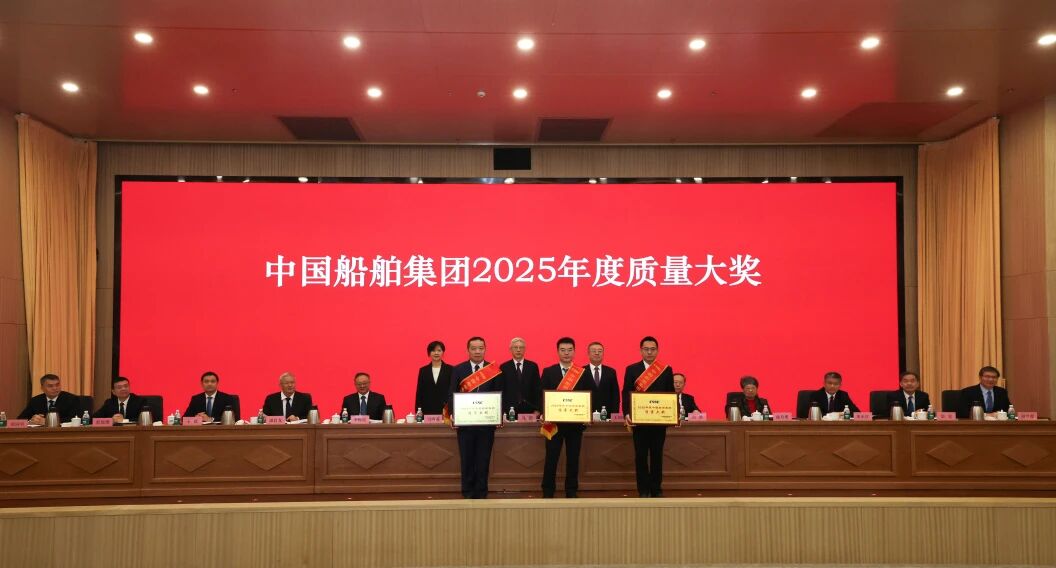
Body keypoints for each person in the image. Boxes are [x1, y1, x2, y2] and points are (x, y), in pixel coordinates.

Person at [448, 336, 505, 499]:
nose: (477, 351)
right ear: (468, 350)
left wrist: (499, 415)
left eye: (481, 348)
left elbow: (499, 394)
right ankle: (467, 492)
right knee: (467, 460)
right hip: (465, 425)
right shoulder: (458, 369)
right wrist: (453, 414)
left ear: (485, 349)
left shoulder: (493, 370)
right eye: (474, 348)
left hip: (486, 425)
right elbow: (451, 394)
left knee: (483, 460)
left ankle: (481, 493)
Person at [539, 337, 593, 498]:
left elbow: (589, 395)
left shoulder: (582, 373)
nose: (566, 353)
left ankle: (571, 490)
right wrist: (543, 413)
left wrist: (588, 413)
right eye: (563, 350)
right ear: (557, 352)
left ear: (574, 352)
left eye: (569, 350)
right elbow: (541, 395)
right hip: (553, 424)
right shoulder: (549, 372)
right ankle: (548, 490)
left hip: (575, 425)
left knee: (573, 458)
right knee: (551, 458)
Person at [621, 336, 675, 498]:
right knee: (640, 456)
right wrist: (627, 414)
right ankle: (643, 490)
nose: (649, 352)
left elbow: (670, 394)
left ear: (657, 351)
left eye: (652, 349)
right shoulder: (632, 369)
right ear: (641, 350)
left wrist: (672, 415)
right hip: (639, 422)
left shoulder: (666, 370)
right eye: (646, 349)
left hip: (659, 422)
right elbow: (626, 393)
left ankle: (656, 489)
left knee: (657, 456)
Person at [18, 374, 82, 424]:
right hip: (40, 434)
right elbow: (20, 420)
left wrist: (48, 422)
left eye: (57, 385)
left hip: (63, 433)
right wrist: (31, 420)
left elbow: (76, 419)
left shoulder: (71, 399)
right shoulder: (35, 401)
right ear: (42, 388)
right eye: (50, 386)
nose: (55, 388)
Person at [500, 337, 541, 414]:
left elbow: (537, 390)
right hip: (509, 410)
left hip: (529, 410)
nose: (518, 350)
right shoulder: (504, 367)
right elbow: (502, 390)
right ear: (511, 349)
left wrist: (538, 409)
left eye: (521, 347)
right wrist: (502, 411)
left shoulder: (532, 366)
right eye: (515, 347)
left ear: (525, 349)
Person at [415, 340, 453, 415]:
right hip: (427, 409)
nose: (436, 353)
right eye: (433, 350)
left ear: (443, 352)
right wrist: (418, 411)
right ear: (429, 353)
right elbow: (419, 392)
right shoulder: (423, 370)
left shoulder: (450, 369)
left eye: (439, 350)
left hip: (445, 410)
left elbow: (452, 391)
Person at [586, 341, 620, 414]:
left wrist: (614, 414)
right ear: (588, 353)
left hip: (606, 414)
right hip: (586, 414)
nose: (597, 353)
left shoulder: (611, 372)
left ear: (603, 354)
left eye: (600, 351)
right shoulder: (581, 371)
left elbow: (615, 396)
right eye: (594, 351)